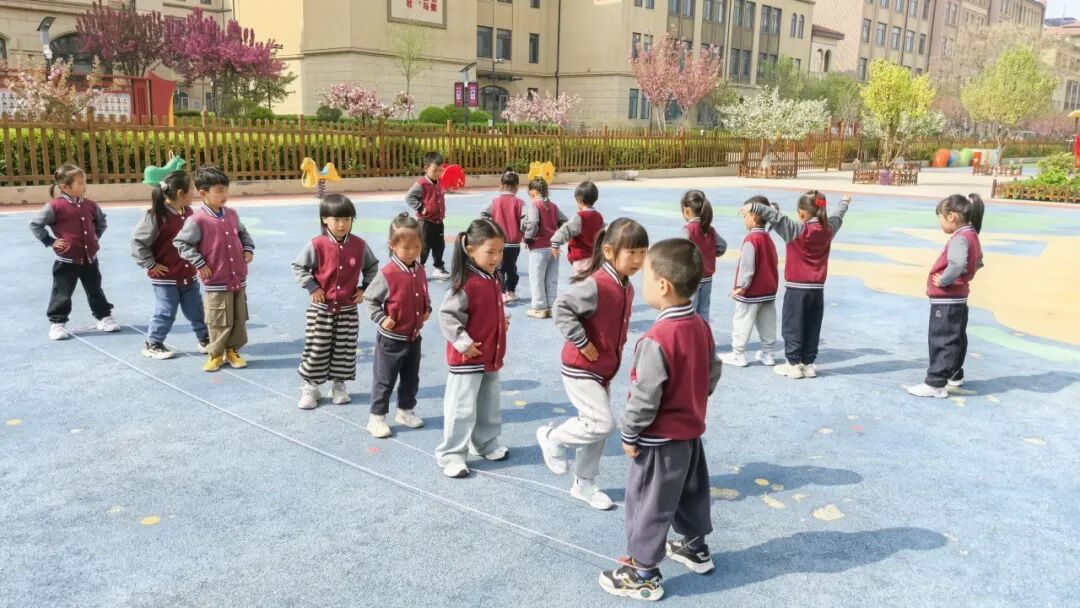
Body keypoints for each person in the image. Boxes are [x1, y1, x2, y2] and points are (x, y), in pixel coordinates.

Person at [599, 239, 723, 601]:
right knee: (690, 493)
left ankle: (643, 573)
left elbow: (645, 395)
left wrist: (630, 433)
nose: (644, 283)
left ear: (664, 285)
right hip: (690, 435)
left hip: (658, 441)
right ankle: (696, 548)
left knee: (647, 504)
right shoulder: (700, 325)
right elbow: (713, 371)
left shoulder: (656, 338)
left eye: (647, 278)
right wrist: (694, 397)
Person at [536, 218, 649, 510]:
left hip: (601, 370)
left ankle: (584, 484)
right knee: (602, 423)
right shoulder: (597, 284)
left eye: (642, 252)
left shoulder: (625, 285)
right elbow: (562, 307)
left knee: (595, 430)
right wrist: (582, 340)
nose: (638, 260)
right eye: (632, 252)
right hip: (581, 368)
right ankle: (552, 437)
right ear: (609, 252)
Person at [742, 191, 853, 379]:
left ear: (801, 213)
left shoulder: (796, 230)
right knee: (812, 326)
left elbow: (775, 217)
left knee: (792, 326)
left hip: (796, 289)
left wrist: (753, 206)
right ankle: (808, 364)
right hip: (817, 290)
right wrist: (844, 202)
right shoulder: (828, 230)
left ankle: (793, 364)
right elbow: (838, 216)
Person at [435, 219, 511, 478]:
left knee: (489, 403)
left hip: (490, 355)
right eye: (490, 252)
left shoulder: (493, 276)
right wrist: (463, 343)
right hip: (467, 359)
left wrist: (502, 319)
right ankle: (452, 453)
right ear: (470, 249)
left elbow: (490, 307)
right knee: (462, 408)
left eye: (500, 252)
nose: (496, 258)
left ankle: (485, 442)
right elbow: (447, 316)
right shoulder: (466, 283)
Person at [291, 194, 379, 409]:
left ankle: (339, 386)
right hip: (321, 309)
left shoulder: (359, 245)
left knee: (344, 349)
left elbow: (372, 268)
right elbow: (299, 267)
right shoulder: (317, 244)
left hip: (348, 310)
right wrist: (313, 287)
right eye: (337, 219)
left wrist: (364, 288)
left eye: (347, 219)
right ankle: (311, 387)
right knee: (317, 347)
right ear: (325, 219)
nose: (342, 224)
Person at [173, 165, 255, 372]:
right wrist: (200, 263)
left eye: (225, 190)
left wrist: (247, 249)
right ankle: (216, 354)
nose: (224, 195)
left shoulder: (232, 214)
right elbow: (181, 243)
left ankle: (232, 351)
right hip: (217, 280)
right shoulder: (197, 220)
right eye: (219, 191)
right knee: (218, 319)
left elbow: (243, 234)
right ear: (203, 193)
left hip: (238, 277)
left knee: (238, 317)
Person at [907, 194, 985, 398]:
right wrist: (966, 277)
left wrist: (944, 280)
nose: (940, 223)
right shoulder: (972, 235)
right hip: (959, 298)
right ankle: (954, 374)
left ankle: (935, 383)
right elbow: (978, 262)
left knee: (941, 339)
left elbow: (957, 264)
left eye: (940, 218)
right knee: (956, 337)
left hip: (947, 299)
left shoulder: (959, 238)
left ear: (952, 216)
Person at [30, 164, 120, 340]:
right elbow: (35, 224)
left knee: (95, 289)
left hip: (90, 259)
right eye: (80, 183)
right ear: (64, 186)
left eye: (84, 182)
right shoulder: (54, 206)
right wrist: (50, 241)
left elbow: (101, 222)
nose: (84, 186)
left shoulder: (90, 205)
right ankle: (57, 323)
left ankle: (104, 317)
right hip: (66, 261)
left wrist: (94, 238)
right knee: (62, 293)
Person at [363, 213, 431, 436]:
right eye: (406, 248)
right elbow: (370, 299)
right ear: (392, 246)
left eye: (416, 247)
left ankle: (405, 411)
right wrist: (382, 318)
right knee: (385, 380)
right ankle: (376, 418)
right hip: (391, 340)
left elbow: (424, 293)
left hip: (413, 337)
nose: (412, 252)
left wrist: (427, 308)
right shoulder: (388, 273)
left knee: (411, 378)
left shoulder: (419, 269)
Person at [130, 170, 208, 359]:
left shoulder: (188, 212)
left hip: (187, 273)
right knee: (165, 312)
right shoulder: (156, 216)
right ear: (181, 193)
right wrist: (150, 264)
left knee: (196, 309)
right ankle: (153, 343)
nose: (194, 192)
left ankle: (205, 339)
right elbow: (138, 242)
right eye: (192, 189)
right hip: (165, 277)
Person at [719, 196, 780, 368]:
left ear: (754, 216)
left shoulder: (751, 239)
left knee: (742, 320)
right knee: (768, 322)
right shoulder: (768, 238)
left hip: (751, 292)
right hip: (768, 290)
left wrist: (741, 286)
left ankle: (738, 354)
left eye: (745, 215)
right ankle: (768, 353)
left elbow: (747, 266)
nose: (744, 219)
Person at [680, 189, 727, 322]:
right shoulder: (710, 229)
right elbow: (722, 246)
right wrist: (710, 253)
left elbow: (681, 252)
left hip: (692, 279)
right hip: (707, 278)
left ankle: (692, 335)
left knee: (689, 312)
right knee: (704, 310)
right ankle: (704, 333)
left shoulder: (688, 230)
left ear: (686, 210)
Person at [522, 177, 566, 319]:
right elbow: (565, 221)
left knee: (537, 278)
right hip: (553, 248)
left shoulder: (535, 205)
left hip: (539, 248)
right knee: (552, 278)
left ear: (533, 192)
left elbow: (534, 222)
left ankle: (539, 307)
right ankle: (552, 307)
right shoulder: (553, 206)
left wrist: (528, 238)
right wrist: (558, 236)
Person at [481, 167, 527, 303]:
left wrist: (491, 228)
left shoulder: (494, 202)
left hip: (498, 242)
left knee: (499, 268)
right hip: (513, 243)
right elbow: (527, 219)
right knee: (511, 268)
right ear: (517, 187)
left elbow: (483, 215)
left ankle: (501, 292)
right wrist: (522, 231)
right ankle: (510, 291)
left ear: (500, 186)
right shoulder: (520, 203)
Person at [405, 152, 450, 280]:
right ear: (426, 168)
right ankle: (418, 268)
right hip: (425, 222)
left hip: (438, 222)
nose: (438, 173)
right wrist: (421, 207)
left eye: (440, 170)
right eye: (435, 170)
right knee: (423, 247)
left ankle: (438, 267)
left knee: (439, 246)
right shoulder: (421, 184)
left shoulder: (440, 182)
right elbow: (409, 197)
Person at [551, 181, 603, 275]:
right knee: (592, 281)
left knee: (580, 282)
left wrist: (555, 242)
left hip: (580, 258)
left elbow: (566, 229)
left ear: (579, 199)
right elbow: (604, 232)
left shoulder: (580, 216)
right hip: (594, 258)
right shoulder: (598, 216)